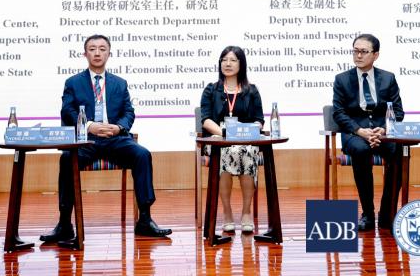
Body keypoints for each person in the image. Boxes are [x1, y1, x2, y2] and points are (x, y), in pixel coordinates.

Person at [41, 35, 172, 245]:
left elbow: (129, 112)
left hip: (114, 139)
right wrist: (89, 125)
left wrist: (118, 127)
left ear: (109, 54)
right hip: (86, 140)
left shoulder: (120, 83)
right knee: (66, 159)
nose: (97, 53)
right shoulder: (73, 83)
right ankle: (64, 224)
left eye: (102, 49)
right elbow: (67, 111)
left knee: (142, 154)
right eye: (92, 49)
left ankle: (145, 219)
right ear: (85, 54)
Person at [331, 34, 404, 231]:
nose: (358, 55)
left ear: (375, 55)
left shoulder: (388, 78)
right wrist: (359, 131)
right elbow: (338, 113)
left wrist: (384, 130)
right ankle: (368, 214)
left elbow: (398, 112)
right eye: (355, 51)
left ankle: (387, 213)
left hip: (382, 133)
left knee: (399, 151)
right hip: (355, 134)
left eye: (363, 51)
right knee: (361, 150)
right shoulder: (342, 79)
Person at [199, 46, 265, 233]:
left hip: (245, 140)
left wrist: (246, 132)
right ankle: (227, 212)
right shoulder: (211, 90)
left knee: (245, 151)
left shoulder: (251, 91)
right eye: (224, 60)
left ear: (241, 64)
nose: (227, 64)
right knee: (227, 151)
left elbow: (259, 120)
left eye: (233, 60)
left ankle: (246, 212)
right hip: (218, 139)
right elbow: (206, 120)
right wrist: (226, 133)